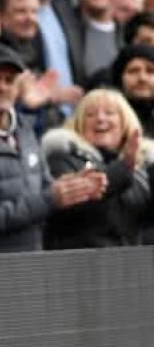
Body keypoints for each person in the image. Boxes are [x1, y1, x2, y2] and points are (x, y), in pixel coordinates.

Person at [0, 45, 104, 253]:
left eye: (9, 80)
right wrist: (51, 198)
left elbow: (45, 190)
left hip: (31, 260)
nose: (2, 87)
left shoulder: (24, 130)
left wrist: (72, 188)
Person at [41, 89, 152, 249]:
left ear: (126, 123)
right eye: (90, 114)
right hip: (79, 264)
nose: (100, 119)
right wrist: (123, 168)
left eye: (109, 113)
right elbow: (71, 207)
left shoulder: (143, 164)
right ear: (79, 124)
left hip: (131, 265)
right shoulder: (60, 158)